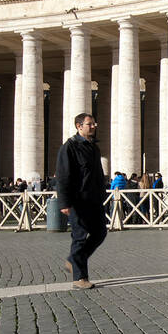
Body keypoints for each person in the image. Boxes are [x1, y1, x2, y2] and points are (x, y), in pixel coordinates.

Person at [56, 112, 107, 289]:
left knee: (100, 233)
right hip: (78, 200)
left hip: (94, 199)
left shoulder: (93, 147)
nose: (93, 127)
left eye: (94, 124)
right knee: (79, 237)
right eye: (89, 124)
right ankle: (80, 278)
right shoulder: (69, 147)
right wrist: (64, 202)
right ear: (79, 126)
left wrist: (102, 193)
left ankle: (73, 260)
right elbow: (63, 176)